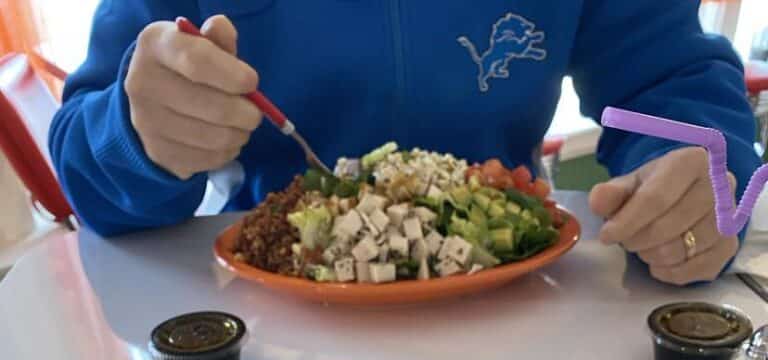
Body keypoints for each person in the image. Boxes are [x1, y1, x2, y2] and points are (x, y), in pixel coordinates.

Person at [50, 2, 760, 284]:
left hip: (519, 304)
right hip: (273, 319)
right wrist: (138, 136)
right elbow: (86, 169)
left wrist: (705, 170)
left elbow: (673, 79)